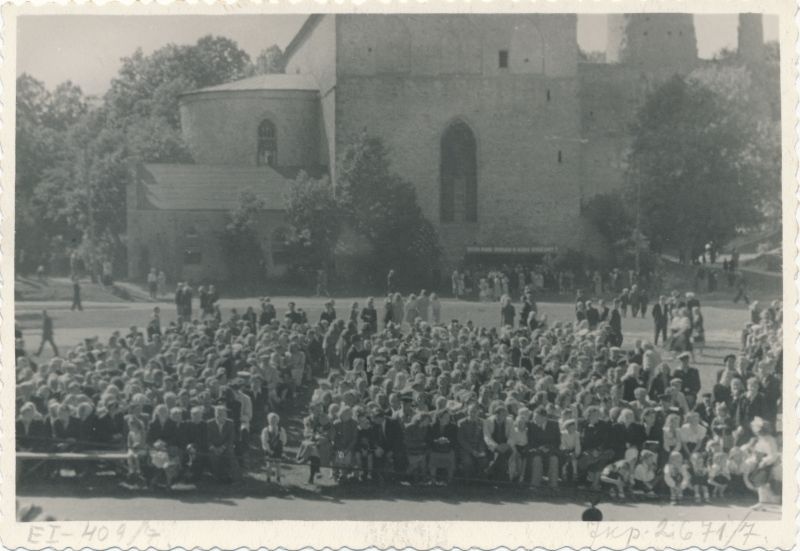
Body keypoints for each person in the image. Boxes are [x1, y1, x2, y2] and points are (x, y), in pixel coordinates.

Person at [261, 412, 287, 484]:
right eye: (271, 420)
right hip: (269, 448)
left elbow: (284, 440)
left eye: (275, 420)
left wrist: (280, 446)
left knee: (278, 464)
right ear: (268, 421)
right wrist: (269, 450)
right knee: (269, 464)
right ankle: (268, 478)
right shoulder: (266, 430)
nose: (273, 422)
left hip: (278, 449)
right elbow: (264, 441)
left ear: (277, 421)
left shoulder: (281, 429)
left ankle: (278, 478)